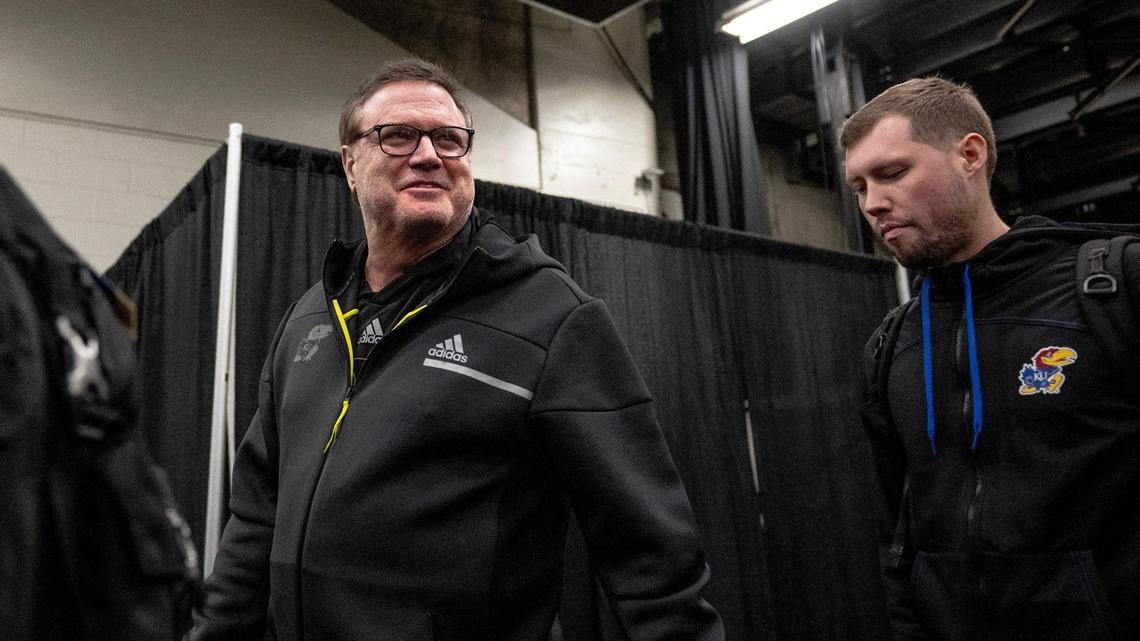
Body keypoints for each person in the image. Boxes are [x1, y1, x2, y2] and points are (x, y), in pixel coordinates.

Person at [188, 58, 724, 641]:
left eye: (449, 138)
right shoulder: (310, 318)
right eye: (398, 136)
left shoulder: (550, 318)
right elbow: (255, 520)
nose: (428, 155)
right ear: (349, 163)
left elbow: (651, 557)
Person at [843, 76, 1140, 640]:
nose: (873, 203)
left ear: (970, 156)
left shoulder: (1110, 288)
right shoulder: (891, 347)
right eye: (858, 186)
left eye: (892, 172)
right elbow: (896, 537)